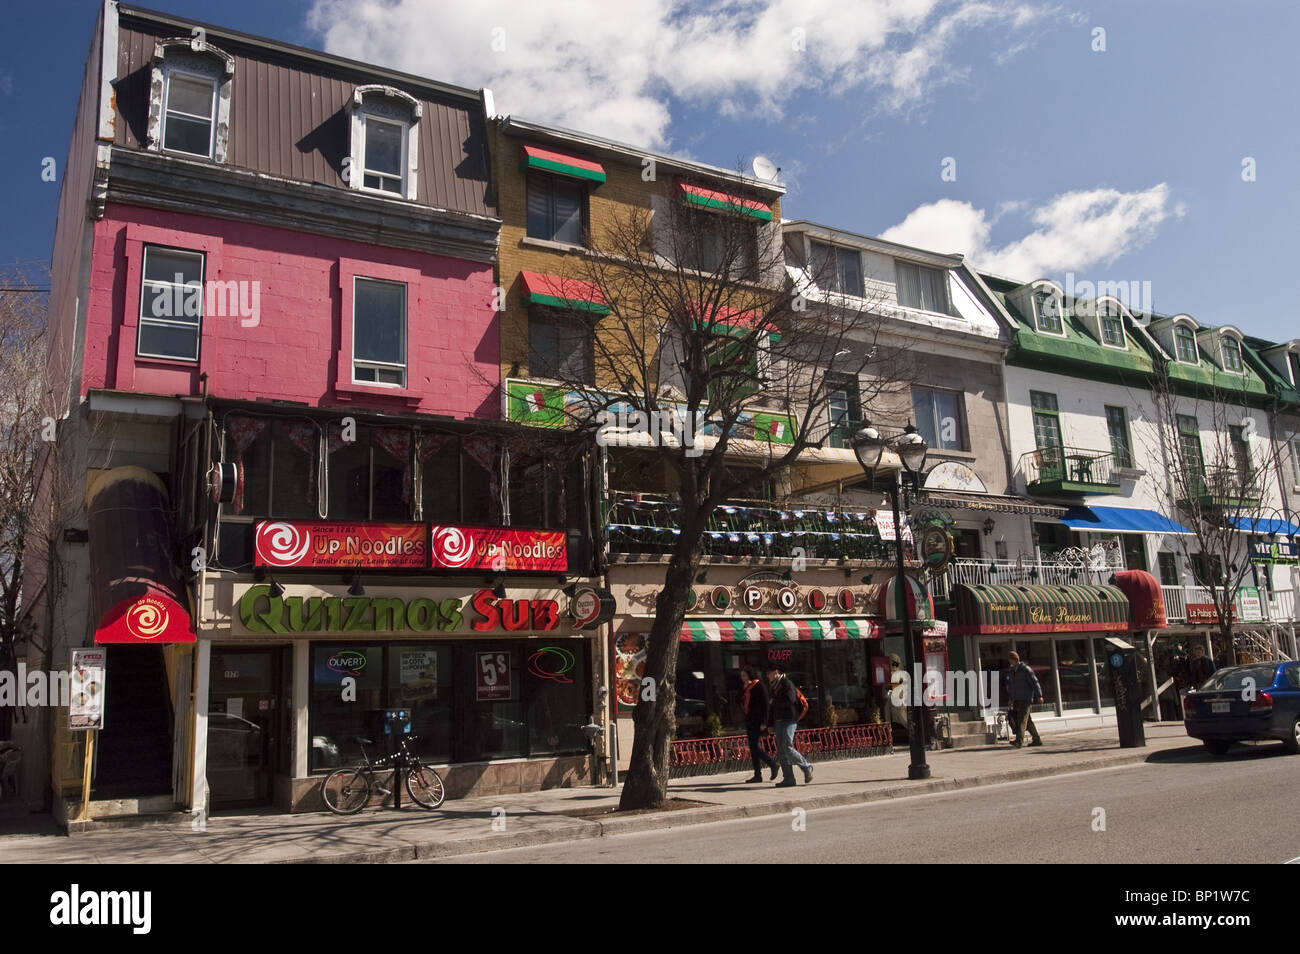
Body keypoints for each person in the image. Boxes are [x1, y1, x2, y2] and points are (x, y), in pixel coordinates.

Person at [764, 662, 813, 787]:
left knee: (787, 746)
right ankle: (789, 778)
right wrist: (770, 724)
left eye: (769, 673)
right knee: (781, 751)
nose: (767, 675)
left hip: (789, 719)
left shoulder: (786, 683)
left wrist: (775, 702)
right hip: (778, 720)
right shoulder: (773, 686)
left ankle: (806, 767)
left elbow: (790, 700)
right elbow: (771, 707)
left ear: (776, 672)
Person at [739, 668, 778, 783]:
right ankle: (757, 774)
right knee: (753, 747)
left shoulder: (759, 686)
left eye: (745, 676)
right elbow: (738, 699)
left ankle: (772, 764)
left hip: (758, 720)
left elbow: (766, 705)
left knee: (754, 747)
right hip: (749, 720)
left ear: (750, 675)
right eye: (742, 676)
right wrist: (744, 689)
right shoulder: (746, 688)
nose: (743, 678)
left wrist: (765, 722)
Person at [1006, 651, 1043, 748]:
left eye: (1010, 659)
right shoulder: (1012, 671)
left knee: (1021, 719)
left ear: (1015, 659)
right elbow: (1011, 686)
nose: (1010, 661)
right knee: (1027, 720)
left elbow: (1035, 682)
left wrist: (1039, 695)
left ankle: (1019, 741)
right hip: (1017, 698)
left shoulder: (1026, 669)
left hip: (1026, 698)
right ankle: (1037, 739)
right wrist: (1011, 699)